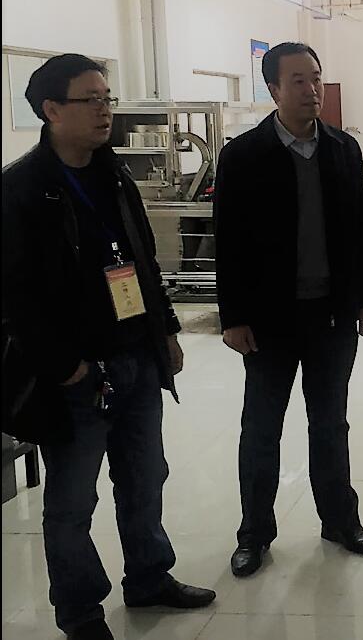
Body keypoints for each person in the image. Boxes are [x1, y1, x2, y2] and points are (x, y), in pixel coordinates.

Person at [1, 54, 215, 640]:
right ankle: (80, 613)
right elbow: (15, 298)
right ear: (51, 110)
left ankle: (149, 578)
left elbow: (142, 260)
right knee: (72, 504)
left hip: (136, 356)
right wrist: (65, 367)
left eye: (107, 98)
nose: (105, 111)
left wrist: (165, 331)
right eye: (90, 100)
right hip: (77, 374)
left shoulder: (113, 175)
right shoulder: (21, 189)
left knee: (145, 479)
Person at [214, 42, 363, 577]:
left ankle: (339, 521)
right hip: (268, 321)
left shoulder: (343, 149)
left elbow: (361, 227)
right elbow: (229, 243)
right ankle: (254, 534)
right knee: (261, 429)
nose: (312, 90)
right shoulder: (243, 155)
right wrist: (233, 317)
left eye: (316, 78)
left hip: (332, 316)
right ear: (273, 89)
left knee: (329, 424)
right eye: (298, 81)